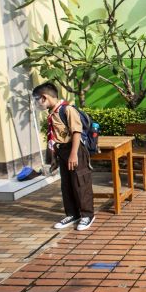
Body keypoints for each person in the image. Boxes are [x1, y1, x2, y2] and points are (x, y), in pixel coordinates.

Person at [32, 82, 95, 231]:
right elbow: (54, 138)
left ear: (44, 97)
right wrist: (53, 158)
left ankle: (87, 215)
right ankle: (72, 213)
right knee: (66, 184)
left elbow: (76, 133)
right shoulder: (52, 112)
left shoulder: (67, 110)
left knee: (81, 182)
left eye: (36, 100)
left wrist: (74, 155)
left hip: (75, 150)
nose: (36, 104)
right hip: (62, 152)